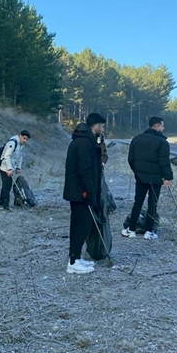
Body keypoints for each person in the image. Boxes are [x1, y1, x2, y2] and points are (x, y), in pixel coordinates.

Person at [63, 112, 105, 274]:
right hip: (81, 192)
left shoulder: (83, 140)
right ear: (96, 126)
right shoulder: (84, 143)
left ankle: (76, 257)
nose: (102, 130)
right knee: (83, 225)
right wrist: (91, 192)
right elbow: (85, 171)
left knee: (78, 224)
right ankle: (73, 262)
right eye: (101, 127)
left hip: (78, 191)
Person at [122, 116, 173, 240]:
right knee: (152, 204)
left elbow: (131, 159)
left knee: (137, 202)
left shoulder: (137, 139)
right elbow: (164, 162)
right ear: (157, 126)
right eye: (162, 125)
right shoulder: (163, 142)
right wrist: (167, 177)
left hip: (140, 177)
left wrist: (137, 172)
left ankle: (132, 229)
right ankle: (149, 231)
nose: (163, 128)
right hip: (156, 179)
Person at [0, 130, 31, 211]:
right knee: (7, 187)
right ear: (20, 135)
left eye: (26, 139)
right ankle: (5, 207)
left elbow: (19, 157)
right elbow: (6, 156)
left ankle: (1, 203)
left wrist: (18, 167)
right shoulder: (12, 143)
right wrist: (9, 169)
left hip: (10, 168)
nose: (25, 140)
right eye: (24, 138)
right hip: (5, 168)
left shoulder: (20, 145)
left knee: (6, 186)